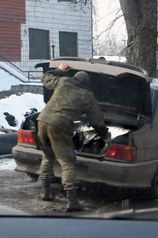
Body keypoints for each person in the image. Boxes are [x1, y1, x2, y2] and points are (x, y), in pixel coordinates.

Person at [37, 63, 109, 212]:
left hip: (42, 120)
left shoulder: (63, 81)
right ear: (87, 84)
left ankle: (45, 191)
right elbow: (97, 121)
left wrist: (59, 70)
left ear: (75, 78)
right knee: (67, 161)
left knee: (48, 156)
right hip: (59, 124)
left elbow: (45, 77)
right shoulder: (87, 96)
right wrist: (105, 135)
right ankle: (72, 201)